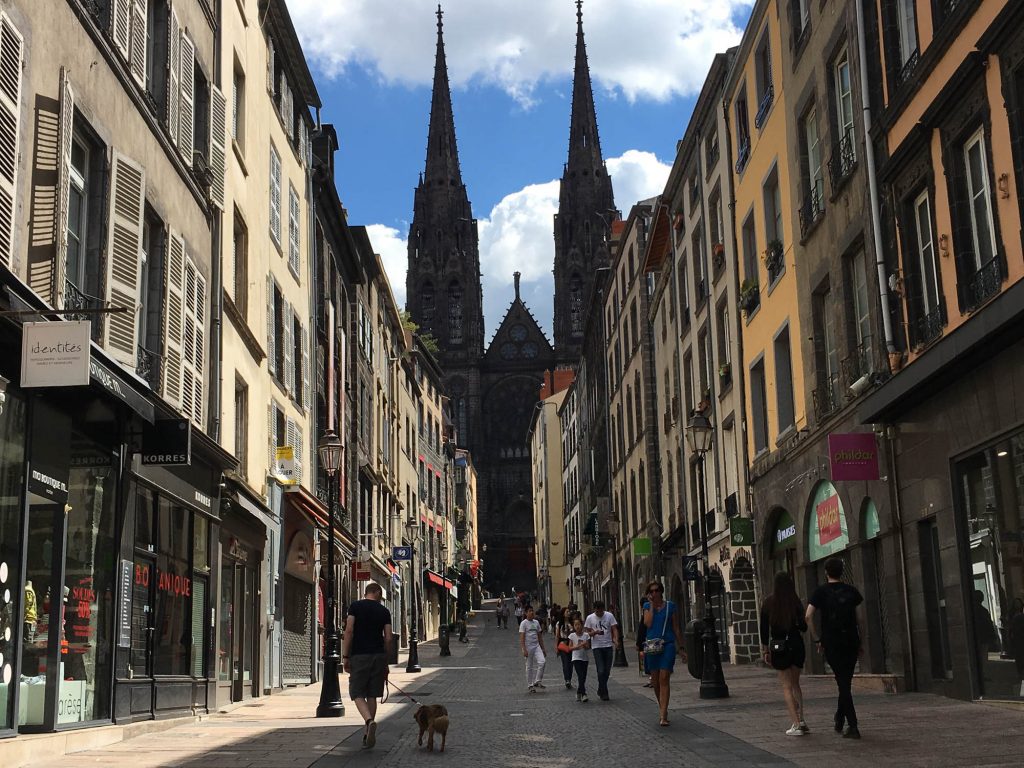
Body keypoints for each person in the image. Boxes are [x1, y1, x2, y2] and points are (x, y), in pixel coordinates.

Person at [807, 557, 865, 739]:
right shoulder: (852, 591)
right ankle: (840, 717)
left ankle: (853, 725)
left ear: (826, 572)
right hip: (850, 641)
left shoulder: (820, 592)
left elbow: (808, 616)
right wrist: (860, 640)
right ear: (842, 571)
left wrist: (817, 639)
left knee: (843, 683)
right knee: (845, 681)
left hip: (831, 642)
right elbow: (859, 618)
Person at [343, 582, 393, 750]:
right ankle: (367, 732)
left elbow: (349, 630)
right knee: (372, 694)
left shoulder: (355, 606)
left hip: (360, 655)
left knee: (357, 692)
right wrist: (385, 658)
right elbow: (388, 638)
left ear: (366, 593)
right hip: (378, 656)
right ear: (377, 593)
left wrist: (345, 656)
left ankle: (369, 722)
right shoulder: (384, 611)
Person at [761, 571, 808, 736]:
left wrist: (765, 650)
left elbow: (763, 629)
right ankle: (801, 720)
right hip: (796, 645)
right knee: (796, 684)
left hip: (779, 647)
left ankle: (795, 724)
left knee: (786, 686)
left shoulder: (768, 603)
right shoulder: (795, 602)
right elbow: (804, 627)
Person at [643, 581, 684, 726]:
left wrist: (682, 648)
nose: (654, 593)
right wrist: (652, 606)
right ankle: (662, 706)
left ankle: (663, 714)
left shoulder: (670, 606)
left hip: (667, 645)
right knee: (655, 681)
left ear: (661, 591)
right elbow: (648, 624)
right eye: (651, 591)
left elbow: (676, 628)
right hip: (652, 647)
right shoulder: (647, 607)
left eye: (657, 590)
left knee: (664, 677)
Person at [584, 600, 620, 701]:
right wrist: (594, 632)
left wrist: (616, 640)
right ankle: (604, 691)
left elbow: (614, 628)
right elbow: (586, 631)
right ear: (594, 609)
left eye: (601, 611)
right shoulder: (590, 618)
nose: (599, 613)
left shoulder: (609, 616)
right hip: (597, 647)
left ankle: (601, 688)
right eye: (597, 611)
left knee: (607, 670)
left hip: (608, 645)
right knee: (601, 670)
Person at [519, 604, 546, 692]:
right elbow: (522, 637)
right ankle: (530, 685)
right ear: (526, 613)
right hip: (528, 646)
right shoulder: (524, 623)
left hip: (537, 646)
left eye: (532, 611)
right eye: (530, 611)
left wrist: (543, 648)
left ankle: (537, 680)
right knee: (529, 666)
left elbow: (540, 636)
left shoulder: (536, 622)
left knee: (542, 661)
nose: (532, 612)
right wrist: (524, 649)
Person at [568, 617, 591, 702]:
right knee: (580, 675)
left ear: (582, 625)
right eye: (575, 625)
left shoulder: (586, 635)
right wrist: (577, 646)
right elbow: (570, 648)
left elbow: (588, 647)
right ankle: (584, 694)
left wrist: (584, 645)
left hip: (585, 658)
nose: (577, 626)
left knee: (583, 676)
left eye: (579, 624)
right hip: (576, 658)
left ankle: (578, 692)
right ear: (574, 626)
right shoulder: (572, 636)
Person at [555, 607, 575, 689]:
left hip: (571, 644)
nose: (569, 612)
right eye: (567, 611)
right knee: (565, 663)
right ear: (563, 613)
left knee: (571, 663)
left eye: (569, 611)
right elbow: (557, 636)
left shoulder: (572, 623)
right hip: (563, 644)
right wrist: (556, 647)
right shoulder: (559, 623)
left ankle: (569, 679)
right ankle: (567, 680)